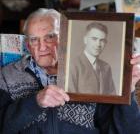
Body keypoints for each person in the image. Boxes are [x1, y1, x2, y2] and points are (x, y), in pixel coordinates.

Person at [0, 8, 140, 134]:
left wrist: (128, 87)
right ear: (28, 46)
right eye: (34, 40)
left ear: (66, 36)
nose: (42, 47)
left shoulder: (96, 71)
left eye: (50, 37)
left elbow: (125, 131)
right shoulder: (7, 75)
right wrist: (34, 102)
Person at [68, 22, 116, 95]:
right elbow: (69, 97)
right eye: (94, 39)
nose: (98, 44)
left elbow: (113, 97)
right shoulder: (72, 64)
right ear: (85, 40)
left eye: (102, 40)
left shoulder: (106, 67)